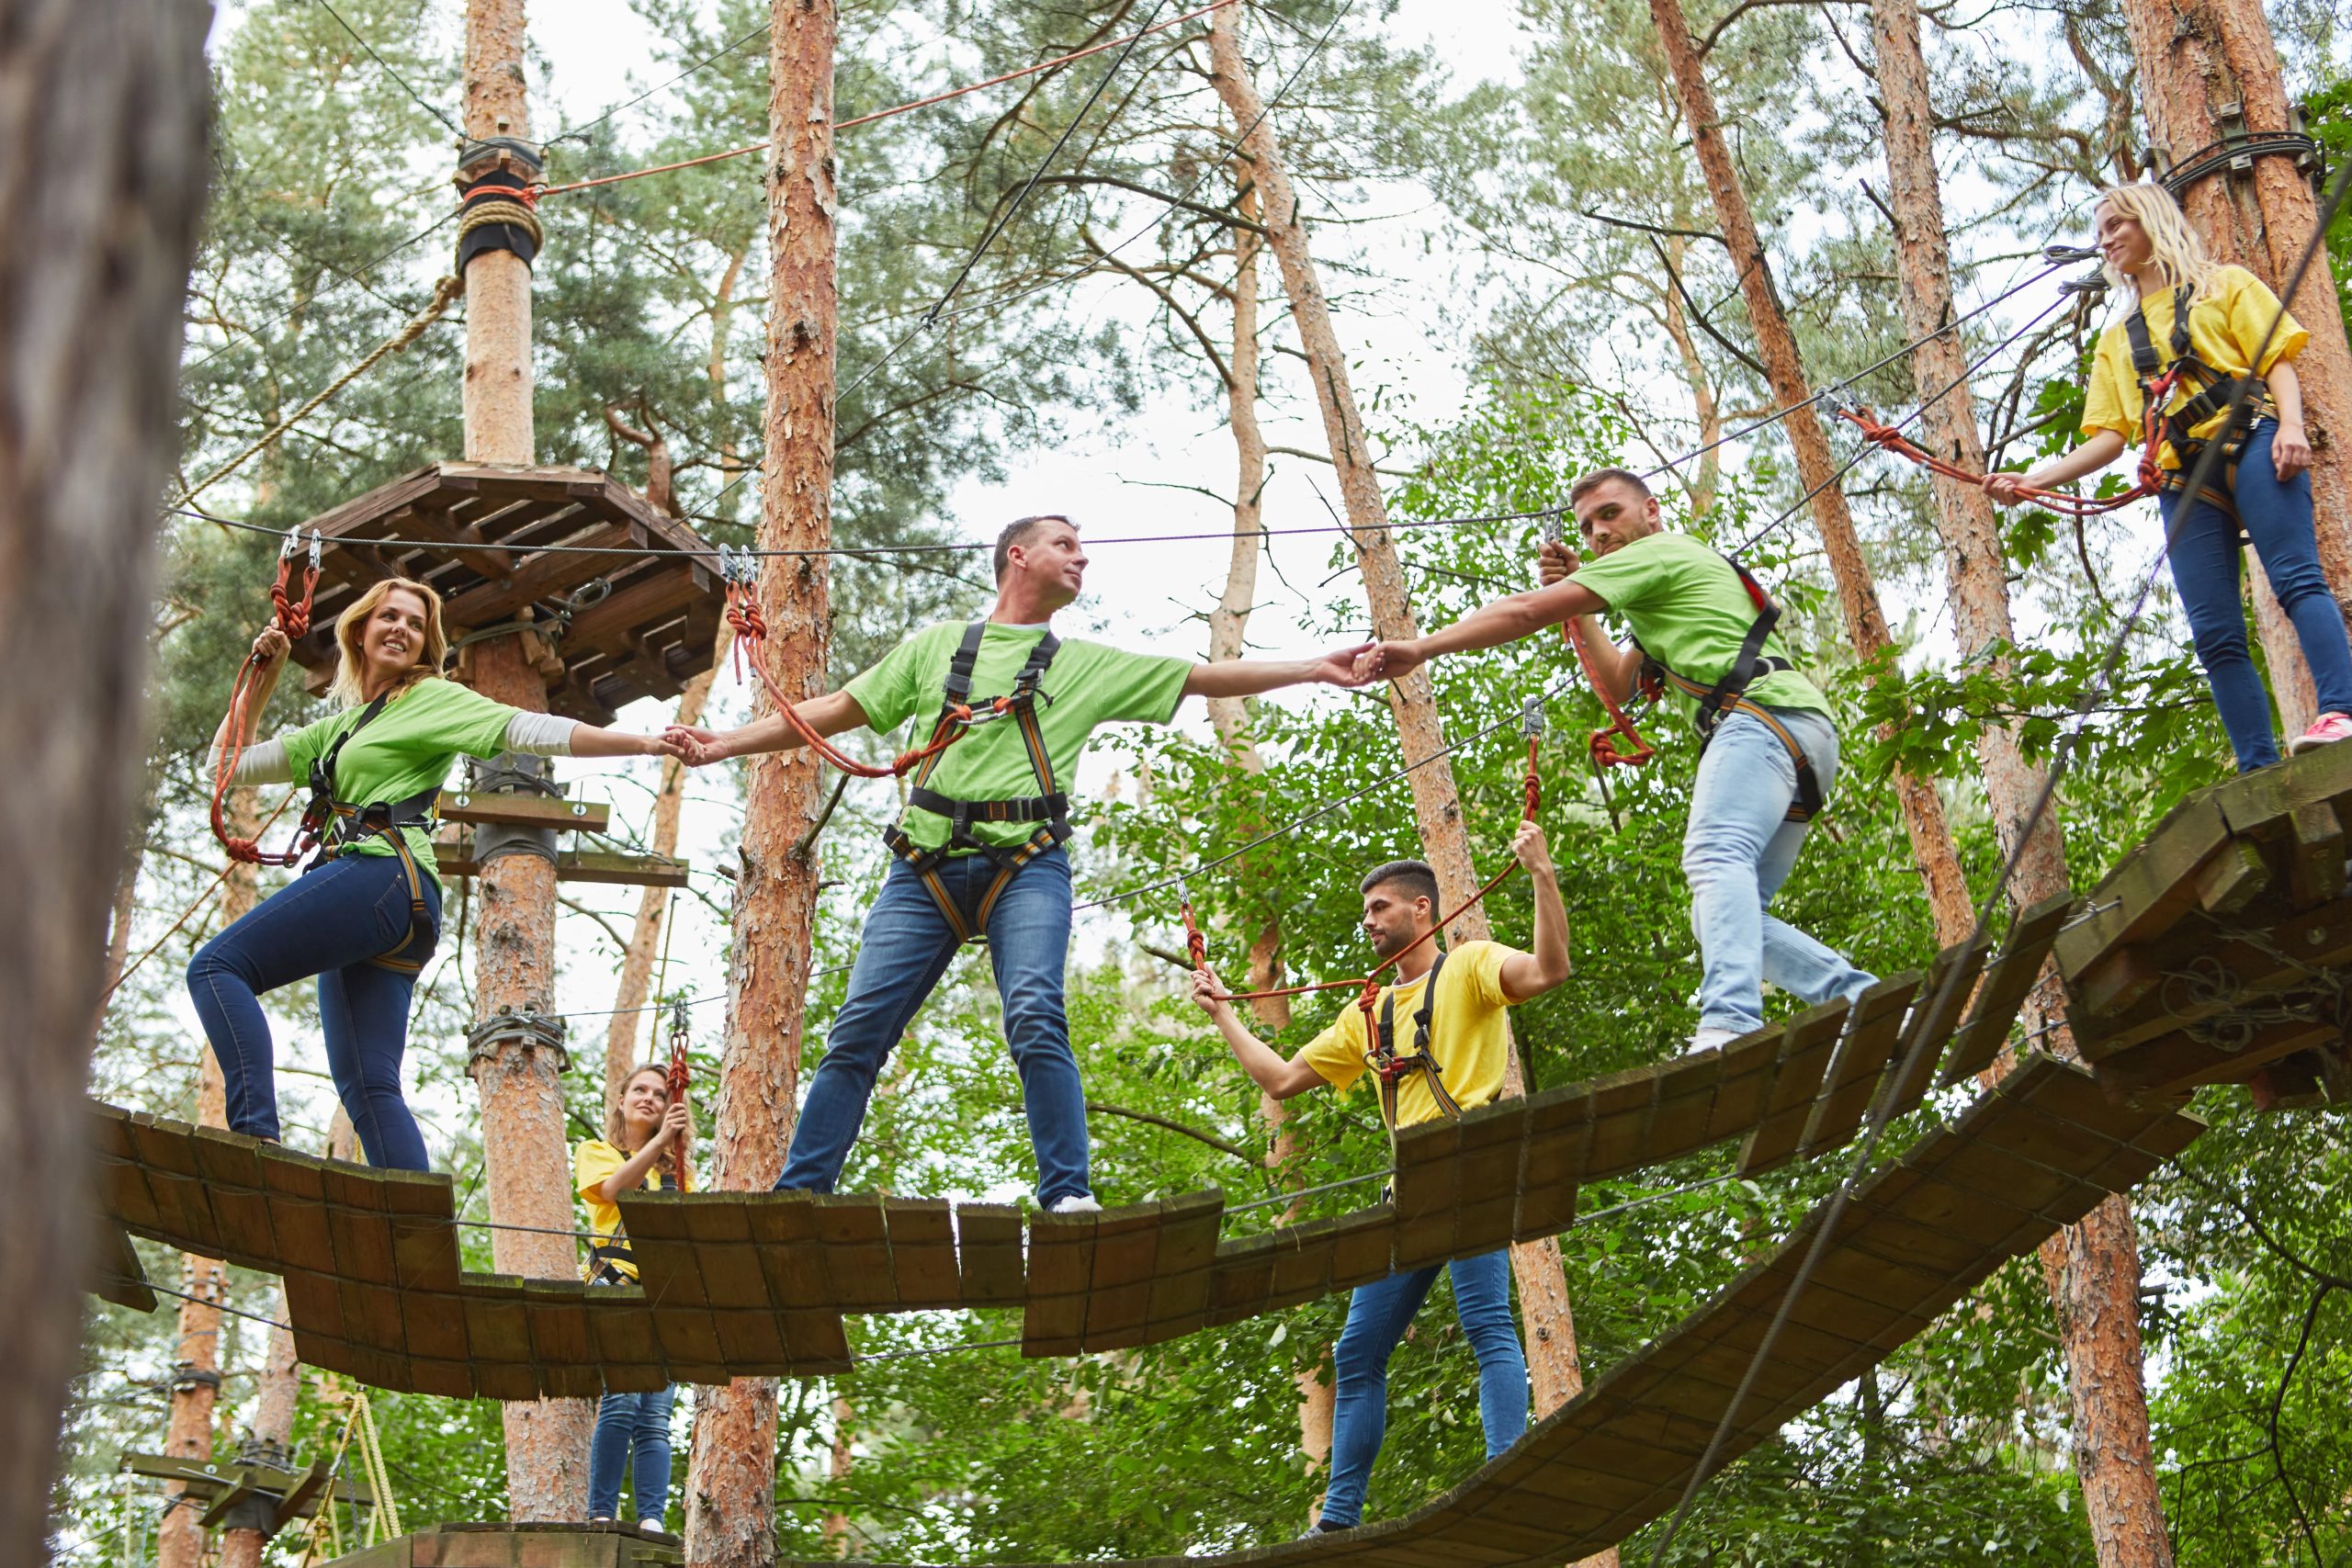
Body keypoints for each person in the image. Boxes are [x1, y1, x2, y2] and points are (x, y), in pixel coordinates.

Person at [671, 513, 1372, 1212]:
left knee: (1036, 1013)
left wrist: (1316, 666)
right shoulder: (938, 647)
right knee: (858, 1030)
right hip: (925, 868)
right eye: (1066, 544)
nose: (1083, 559)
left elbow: (1205, 676)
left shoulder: (1084, 664)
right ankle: (799, 1194)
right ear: (1018, 555)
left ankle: (1067, 1191)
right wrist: (725, 741)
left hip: (1027, 867)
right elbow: (833, 708)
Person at [1354, 471, 1874, 1053]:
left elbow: (1527, 611)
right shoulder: (1666, 577)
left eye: (1610, 514)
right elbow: (1619, 683)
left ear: (1651, 511)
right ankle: (1859, 999)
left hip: (1760, 722)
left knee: (1713, 856)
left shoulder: (1658, 550)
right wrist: (1585, 606)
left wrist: (1421, 648)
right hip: (1796, 733)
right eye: (1588, 526)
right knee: (1721, 915)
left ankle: (1730, 1020)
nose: (1599, 532)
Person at [192, 576, 678, 1169]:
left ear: (427, 645)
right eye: (388, 616)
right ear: (361, 629)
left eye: (415, 623)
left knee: (217, 966)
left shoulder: (431, 698)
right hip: (393, 905)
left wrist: (644, 742)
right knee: (370, 1086)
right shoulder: (334, 731)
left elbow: (525, 728)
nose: (400, 628)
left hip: (381, 877)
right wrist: (260, 683)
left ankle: (254, 1139)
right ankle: (420, 1244)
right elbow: (224, 768)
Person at [1187, 829, 1569, 1532]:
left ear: (1423, 909)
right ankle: (1337, 1516)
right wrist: (1223, 1013)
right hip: (1411, 1191)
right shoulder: (1366, 1012)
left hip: (1472, 1168)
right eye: (1366, 909)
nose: (1368, 918)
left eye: (1380, 905)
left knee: (1486, 1323)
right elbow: (1280, 1078)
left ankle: (1507, 1472)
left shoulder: (1472, 968)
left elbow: (1549, 970)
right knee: (1356, 1351)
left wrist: (1542, 875)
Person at [1985, 181, 2352, 772]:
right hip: (2185, 478)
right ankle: (2257, 764)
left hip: (2252, 438)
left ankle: (2341, 710)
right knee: (2213, 632)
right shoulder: (2116, 341)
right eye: (2099, 232)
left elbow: (2275, 361)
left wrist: (2292, 427)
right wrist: (2038, 478)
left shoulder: (2223, 285)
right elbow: (2109, 437)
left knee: (2295, 579)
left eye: (2115, 225)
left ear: (2150, 221)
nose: (2104, 241)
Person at [575, 1064, 691, 1528]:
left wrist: (668, 1152)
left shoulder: (677, 1174)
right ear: (621, 1102)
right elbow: (611, 1190)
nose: (649, 1098)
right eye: (639, 1090)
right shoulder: (597, 1151)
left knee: (656, 1414)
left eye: (660, 1094)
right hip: (615, 1283)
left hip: (665, 1292)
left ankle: (651, 1518)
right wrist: (661, 1143)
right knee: (622, 1399)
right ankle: (602, 1512)